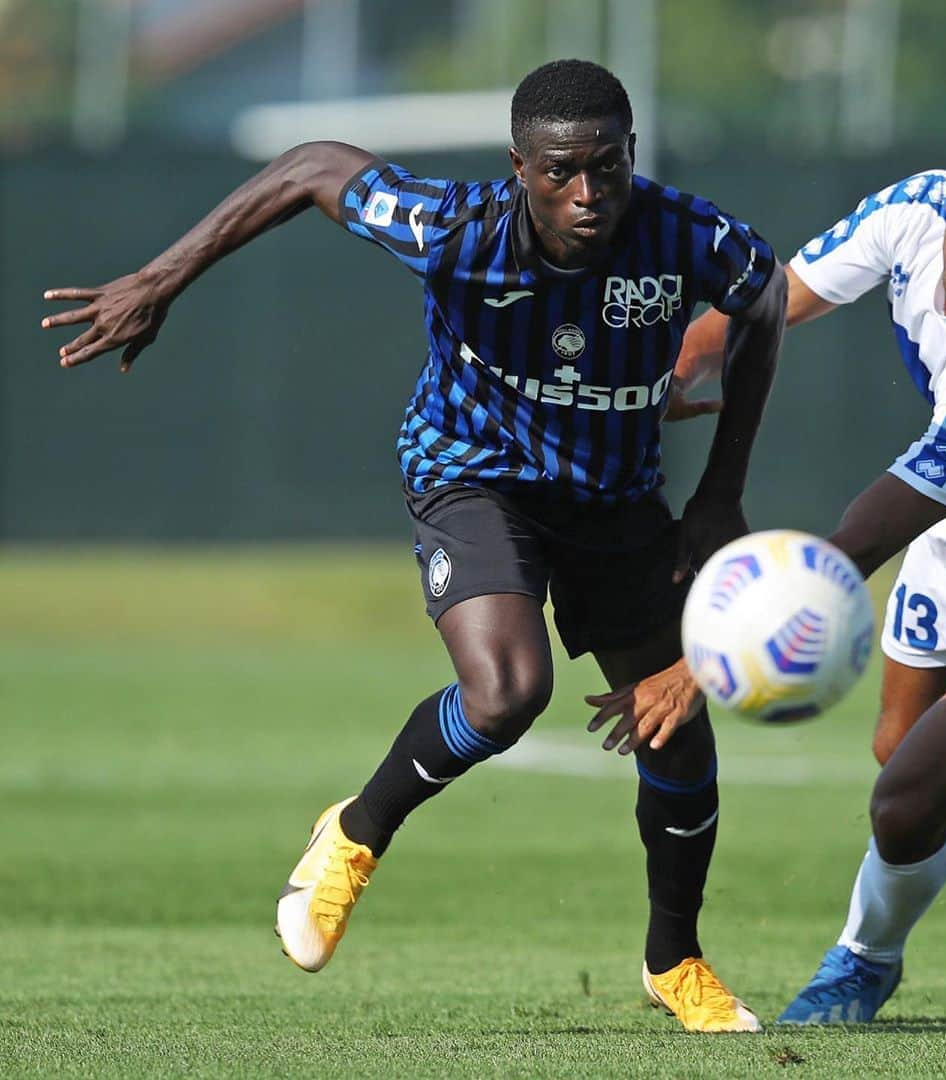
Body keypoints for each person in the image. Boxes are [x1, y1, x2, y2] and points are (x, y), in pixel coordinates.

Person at [42, 60, 787, 1033]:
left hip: (614, 495)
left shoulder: (683, 233)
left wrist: (718, 491)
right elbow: (309, 166)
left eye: (607, 167)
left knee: (674, 729)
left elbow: (763, 297)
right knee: (508, 693)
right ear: (520, 166)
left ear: (632, 154)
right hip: (473, 473)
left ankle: (674, 957)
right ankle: (353, 834)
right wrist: (160, 278)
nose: (587, 193)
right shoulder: (457, 227)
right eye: (562, 170)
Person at [587, 108, 946, 1023]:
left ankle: (864, 961)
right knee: (899, 745)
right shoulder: (912, 210)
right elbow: (769, 298)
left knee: (903, 801)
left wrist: (709, 658)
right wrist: (661, 374)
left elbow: (867, 537)